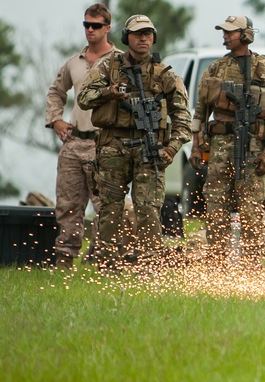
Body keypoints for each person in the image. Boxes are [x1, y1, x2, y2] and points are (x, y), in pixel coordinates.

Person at [77, 14, 191, 269]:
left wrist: (171, 148)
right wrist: (109, 93)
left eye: (148, 34)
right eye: (138, 34)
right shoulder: (109, 68)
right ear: (126, 37)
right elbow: (84, 98)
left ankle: (150, 265)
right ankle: (106, 264)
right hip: (113, 146)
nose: (143, 38)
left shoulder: (165, 74)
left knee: (149, 208)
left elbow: (183, 117)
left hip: (150, 149)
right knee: (110, 208)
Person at [190, 15, 265, 266]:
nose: (225, 36)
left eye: (231, 32)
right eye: (224, 32)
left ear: (246, 35)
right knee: (215, 204)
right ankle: (218, 261)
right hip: (220, 145)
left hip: (253, 146)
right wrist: (196, 146)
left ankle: (253, 264)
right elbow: (200, 111)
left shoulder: (263, 69)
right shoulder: (215, 68)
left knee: (250, 208)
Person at [45, 3, 119, 268]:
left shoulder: (119, 62)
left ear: (107, 28)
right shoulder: (73, 63)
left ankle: (102, 261)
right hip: (74, 143)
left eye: (96, 25)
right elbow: (56, 91)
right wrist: (56, 120)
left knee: (107, 207)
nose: (90, 30)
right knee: (68, 205)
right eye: (86, 25)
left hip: (105, 144)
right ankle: (64, 260)